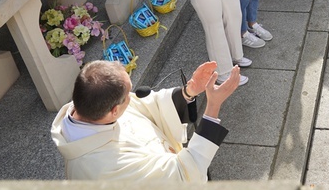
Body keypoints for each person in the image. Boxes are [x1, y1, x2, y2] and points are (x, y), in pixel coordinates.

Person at [52, 59, 239, 181]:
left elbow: (149, 105)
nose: (132, 97)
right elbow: (183, 175)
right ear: (114, 111)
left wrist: (188, 91)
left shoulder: (90, 107)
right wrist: (213, 106)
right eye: (127, 95)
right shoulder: (105, 168)